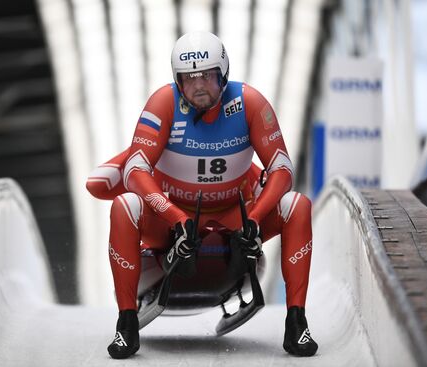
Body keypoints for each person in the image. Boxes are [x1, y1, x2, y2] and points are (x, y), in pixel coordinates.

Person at [87, 31, 318, 359]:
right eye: (189, 79)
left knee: (298, 205)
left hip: (235, 217)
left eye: (207, 76)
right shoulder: (163, 103)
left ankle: (297, 322)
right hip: (173, 220)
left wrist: (253, 220)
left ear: (223, 73)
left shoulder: (249, 103)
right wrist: (174, 217)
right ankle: (125, 323)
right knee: (125, 206)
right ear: (177, 81)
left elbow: (283, 170)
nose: (198, 86)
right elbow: (135, 171)